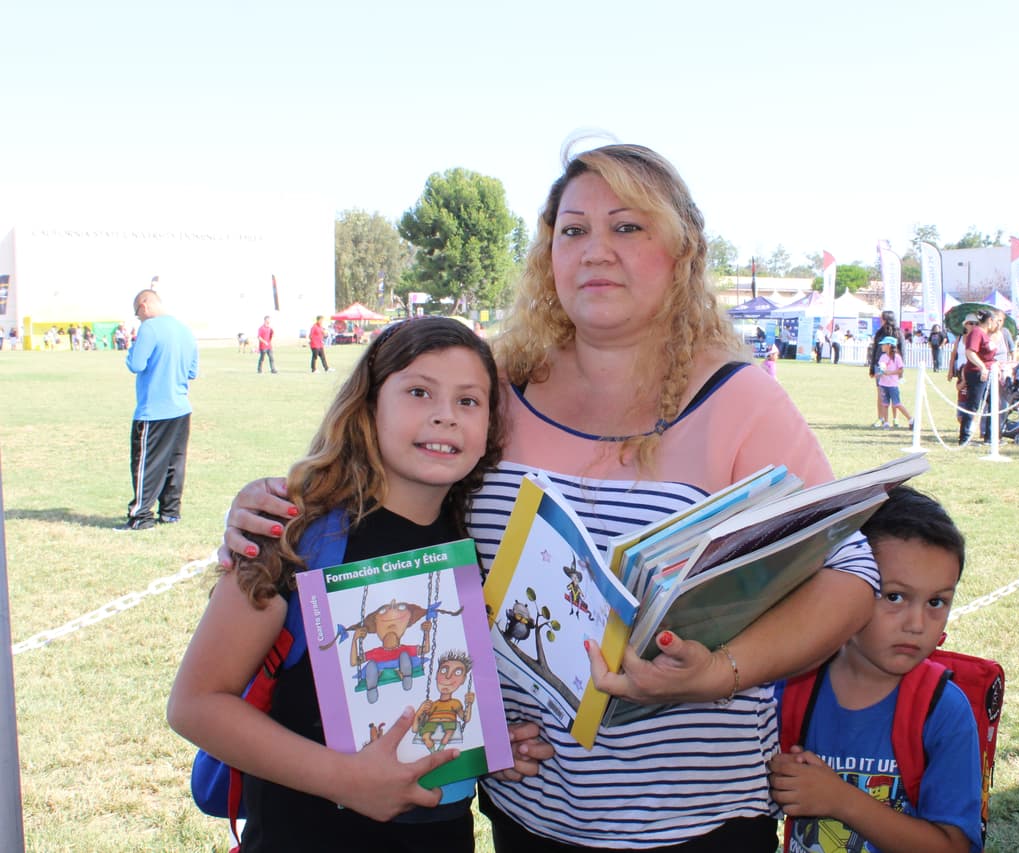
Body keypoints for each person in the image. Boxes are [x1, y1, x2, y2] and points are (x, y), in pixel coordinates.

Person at [218, 142, 880, 852]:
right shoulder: (494, 389)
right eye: (574, 229)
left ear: (683, 252)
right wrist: (266, 505)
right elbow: (376, 493)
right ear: (548, 254)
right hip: (527, 812)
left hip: (696, 821)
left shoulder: (741, 399)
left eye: (628, 226)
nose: (596, 250)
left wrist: (719, 673)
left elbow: (850, 576)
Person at [167, 317, 550, 852]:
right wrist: (345, 780)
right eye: (419, 392)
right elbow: (195, 704)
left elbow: (421, 698)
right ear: (369, 408)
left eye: (469, 401)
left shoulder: (474, 541)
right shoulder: (294, 535)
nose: (445, 415)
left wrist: (482, 744)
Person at [770, 486, 981, 853]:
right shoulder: (789, 688)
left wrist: (841, 800)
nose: (916, 624)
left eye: (936, 602)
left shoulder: (944, 710)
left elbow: (954, 846)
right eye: (894, 596)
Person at [118, 289, 198, 531]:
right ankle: (170, 513)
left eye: (137, 314)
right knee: (175, 462)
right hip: (181, 408)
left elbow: (136, 364)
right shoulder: (184, 329)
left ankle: (141, 516)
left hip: (154, 411)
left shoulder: (149, 328)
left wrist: (132, 348)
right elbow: (192, 371)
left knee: (146, 464)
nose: (139, 318)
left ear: (145, 305)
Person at [959, 311, 996, 446]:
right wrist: (982, 367)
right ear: (990, 320)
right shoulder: (976, 332)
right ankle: (964, 437)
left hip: (989, 373)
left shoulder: (985, 335)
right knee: (973, 405)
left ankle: (990, 436)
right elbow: (970, 352)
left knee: (993, 403)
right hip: (977, 373)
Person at [869, 311, 901, 427]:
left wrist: (900, 369)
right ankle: (881, 418)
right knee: (881, 393)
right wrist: (872, 367)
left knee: (894, 393)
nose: (880, 320)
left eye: (881, 318)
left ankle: (895, 419)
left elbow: (902, 350)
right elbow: (874, 350)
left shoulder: (897, 332)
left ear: (887, 319)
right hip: (879, 365)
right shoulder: (879, 333)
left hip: (893, 367)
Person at [874, 337, 912, 430]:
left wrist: (890, 373)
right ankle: (886, 423)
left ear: (889, 345)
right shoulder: (882, 357)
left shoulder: (897, 357)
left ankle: (911, 419)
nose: (882, 346)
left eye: (884, 344)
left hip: (893, 385)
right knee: (885, 404)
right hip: (883, 384)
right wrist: (879, 374)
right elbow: (881, 369)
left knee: (897, 404)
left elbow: (901, 370)